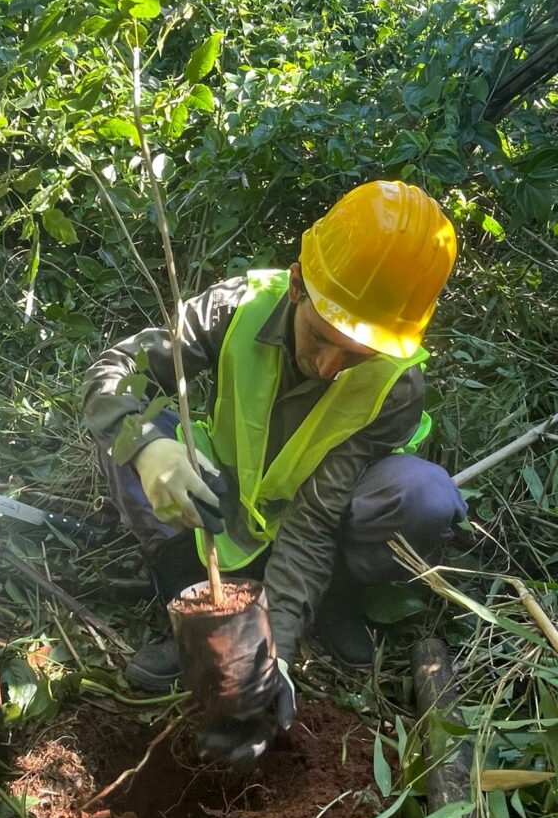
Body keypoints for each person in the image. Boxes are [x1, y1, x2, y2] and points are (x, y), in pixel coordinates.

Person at [82, 180, 467, 753]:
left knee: (424, 495)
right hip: (223, 503)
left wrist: (271, 658)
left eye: (357, 354)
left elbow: (314, 522)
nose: (329, 366)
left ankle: (336, 602)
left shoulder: (397, 385)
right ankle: (190, 612)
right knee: (129, 432)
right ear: (296, 285)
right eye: (321, 336)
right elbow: (113, 374)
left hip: (322, 527)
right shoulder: (236, 307)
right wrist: (148, 446)